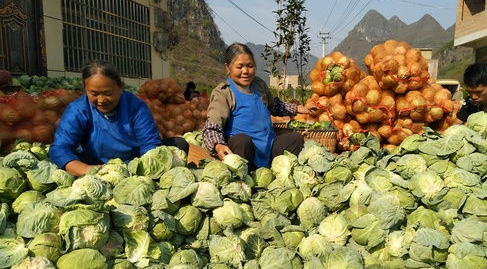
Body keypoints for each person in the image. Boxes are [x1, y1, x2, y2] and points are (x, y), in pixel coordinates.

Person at [49, 59, 189, 176]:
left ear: (120, 86)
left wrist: (139, 170)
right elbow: (60, 147)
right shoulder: (78, 110)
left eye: (108, 93)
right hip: (97, 164)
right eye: (94, 94)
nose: (101, 100)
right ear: (85, 90)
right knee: (66, 161)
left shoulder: (135, 106)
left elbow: (150, 145)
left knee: (179, 144)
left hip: (135, 163)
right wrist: (88, 170)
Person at [203, 43, 317, 171]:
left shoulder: (259, 85)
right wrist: (218, 145)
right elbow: (212, 126)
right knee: (242, 141)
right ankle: (243, 178)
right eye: (239, 67)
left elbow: (274, 106)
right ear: (227, 67)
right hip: (243, 151)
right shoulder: (223, 93)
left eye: (250, 66)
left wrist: (299, 109)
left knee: (295, 139)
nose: (245, 71)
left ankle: (284, 174)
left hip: (267, 146)